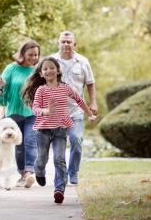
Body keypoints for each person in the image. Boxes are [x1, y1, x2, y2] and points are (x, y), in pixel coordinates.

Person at [21, 57, 97, 204]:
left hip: (61, 129)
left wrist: (90, 114)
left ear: (58, 70)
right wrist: (46, 111)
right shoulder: (41, 90)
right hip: (43, 130)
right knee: (42, 158)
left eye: (51, 67)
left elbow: (79, 100)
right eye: (45, 69)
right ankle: (40, 171)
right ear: (41, 74)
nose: (49, 70)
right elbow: (35, 108)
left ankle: (59, 190)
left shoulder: (65, 87)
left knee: (59, 159)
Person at [51, 30, 98, 185]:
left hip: (76, 110)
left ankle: (73, 172)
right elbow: (40, 83)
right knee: (59, 146)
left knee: (76, 139)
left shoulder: (83, 61)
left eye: (69, 42)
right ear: (58, 44)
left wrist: (93, 103)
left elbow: (90, 83)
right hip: (56, 111)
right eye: (63, 42)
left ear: (74, 44)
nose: (66, 44)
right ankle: (61, 175)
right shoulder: (51, 61)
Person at [0, 40, 40, 188]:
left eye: (36, 55)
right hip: (13, 113)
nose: (33, 58)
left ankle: (29, 172)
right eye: (30, 54)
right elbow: (2, 98)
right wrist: (1, 90)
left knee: (30, 140)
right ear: (22, 53)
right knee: (19, 145)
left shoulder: (37, 71)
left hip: (32, 113)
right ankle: (22, 174)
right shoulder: (11, 69)